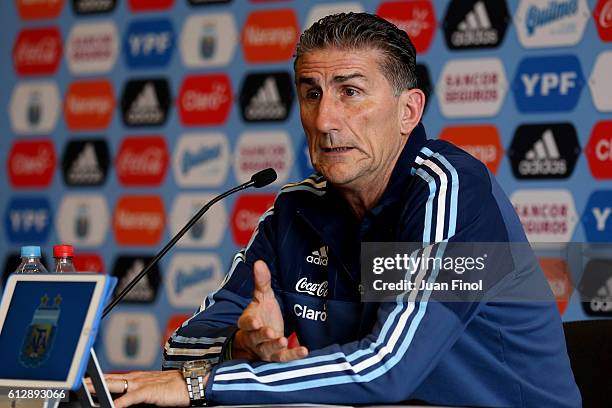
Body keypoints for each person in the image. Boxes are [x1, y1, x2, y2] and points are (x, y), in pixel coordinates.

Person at [95, 13, 581, 408]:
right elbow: (181, 349)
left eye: (350, 92)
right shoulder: (296, 209)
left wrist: (206, 384)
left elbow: (388, 369)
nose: (326, 120)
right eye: (312, 94)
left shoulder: (451, 192)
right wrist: (241, 347)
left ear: (408, 112)